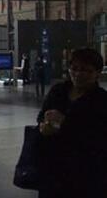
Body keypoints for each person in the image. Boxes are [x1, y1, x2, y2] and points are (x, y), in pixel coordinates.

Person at [36, 48, 107, 198]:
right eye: (74, 68)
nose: (78, 74)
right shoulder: (58, 91)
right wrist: (43, 126)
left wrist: (64, 123)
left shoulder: (101, 100)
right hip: (53, 167)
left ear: (97, 73)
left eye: (86, 70)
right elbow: (41, 117)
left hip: (86, 171)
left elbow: (98, 136)